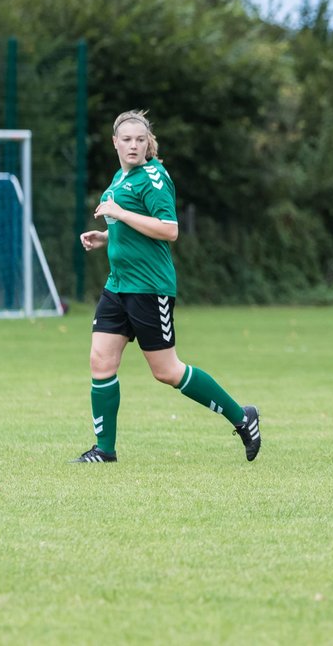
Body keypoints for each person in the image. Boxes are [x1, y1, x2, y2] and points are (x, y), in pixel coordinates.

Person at [73, 110, 260, 463]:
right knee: (101, 360)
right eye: (126, 139)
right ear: (115, 142)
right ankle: (104, 450)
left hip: (149, 287)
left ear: (148, 143)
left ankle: (242, 417)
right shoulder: (121, 176)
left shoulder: (154, 177)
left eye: (139, 140)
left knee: (167, 371)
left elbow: (169, 229)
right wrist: (104, 236)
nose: (133, 145)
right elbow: (128, 227)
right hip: (119, 285)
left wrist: (121, 214)